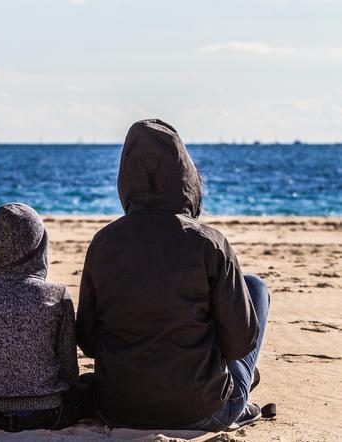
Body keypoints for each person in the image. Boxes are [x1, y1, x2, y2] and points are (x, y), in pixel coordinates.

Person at [75, 119, 270, 431]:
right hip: (201, 410)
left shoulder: (104, 243)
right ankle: (238, 398)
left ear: (126, 178)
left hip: (116, 408)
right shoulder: (210, 243)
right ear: (185, 174)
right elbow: (239, 344)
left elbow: (87, 340)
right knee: (255, 287)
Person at [0, 202, 93, 432]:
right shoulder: (58, 296)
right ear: (40, 246)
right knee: (90, 385)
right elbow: (70, 374)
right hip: (49, 416)